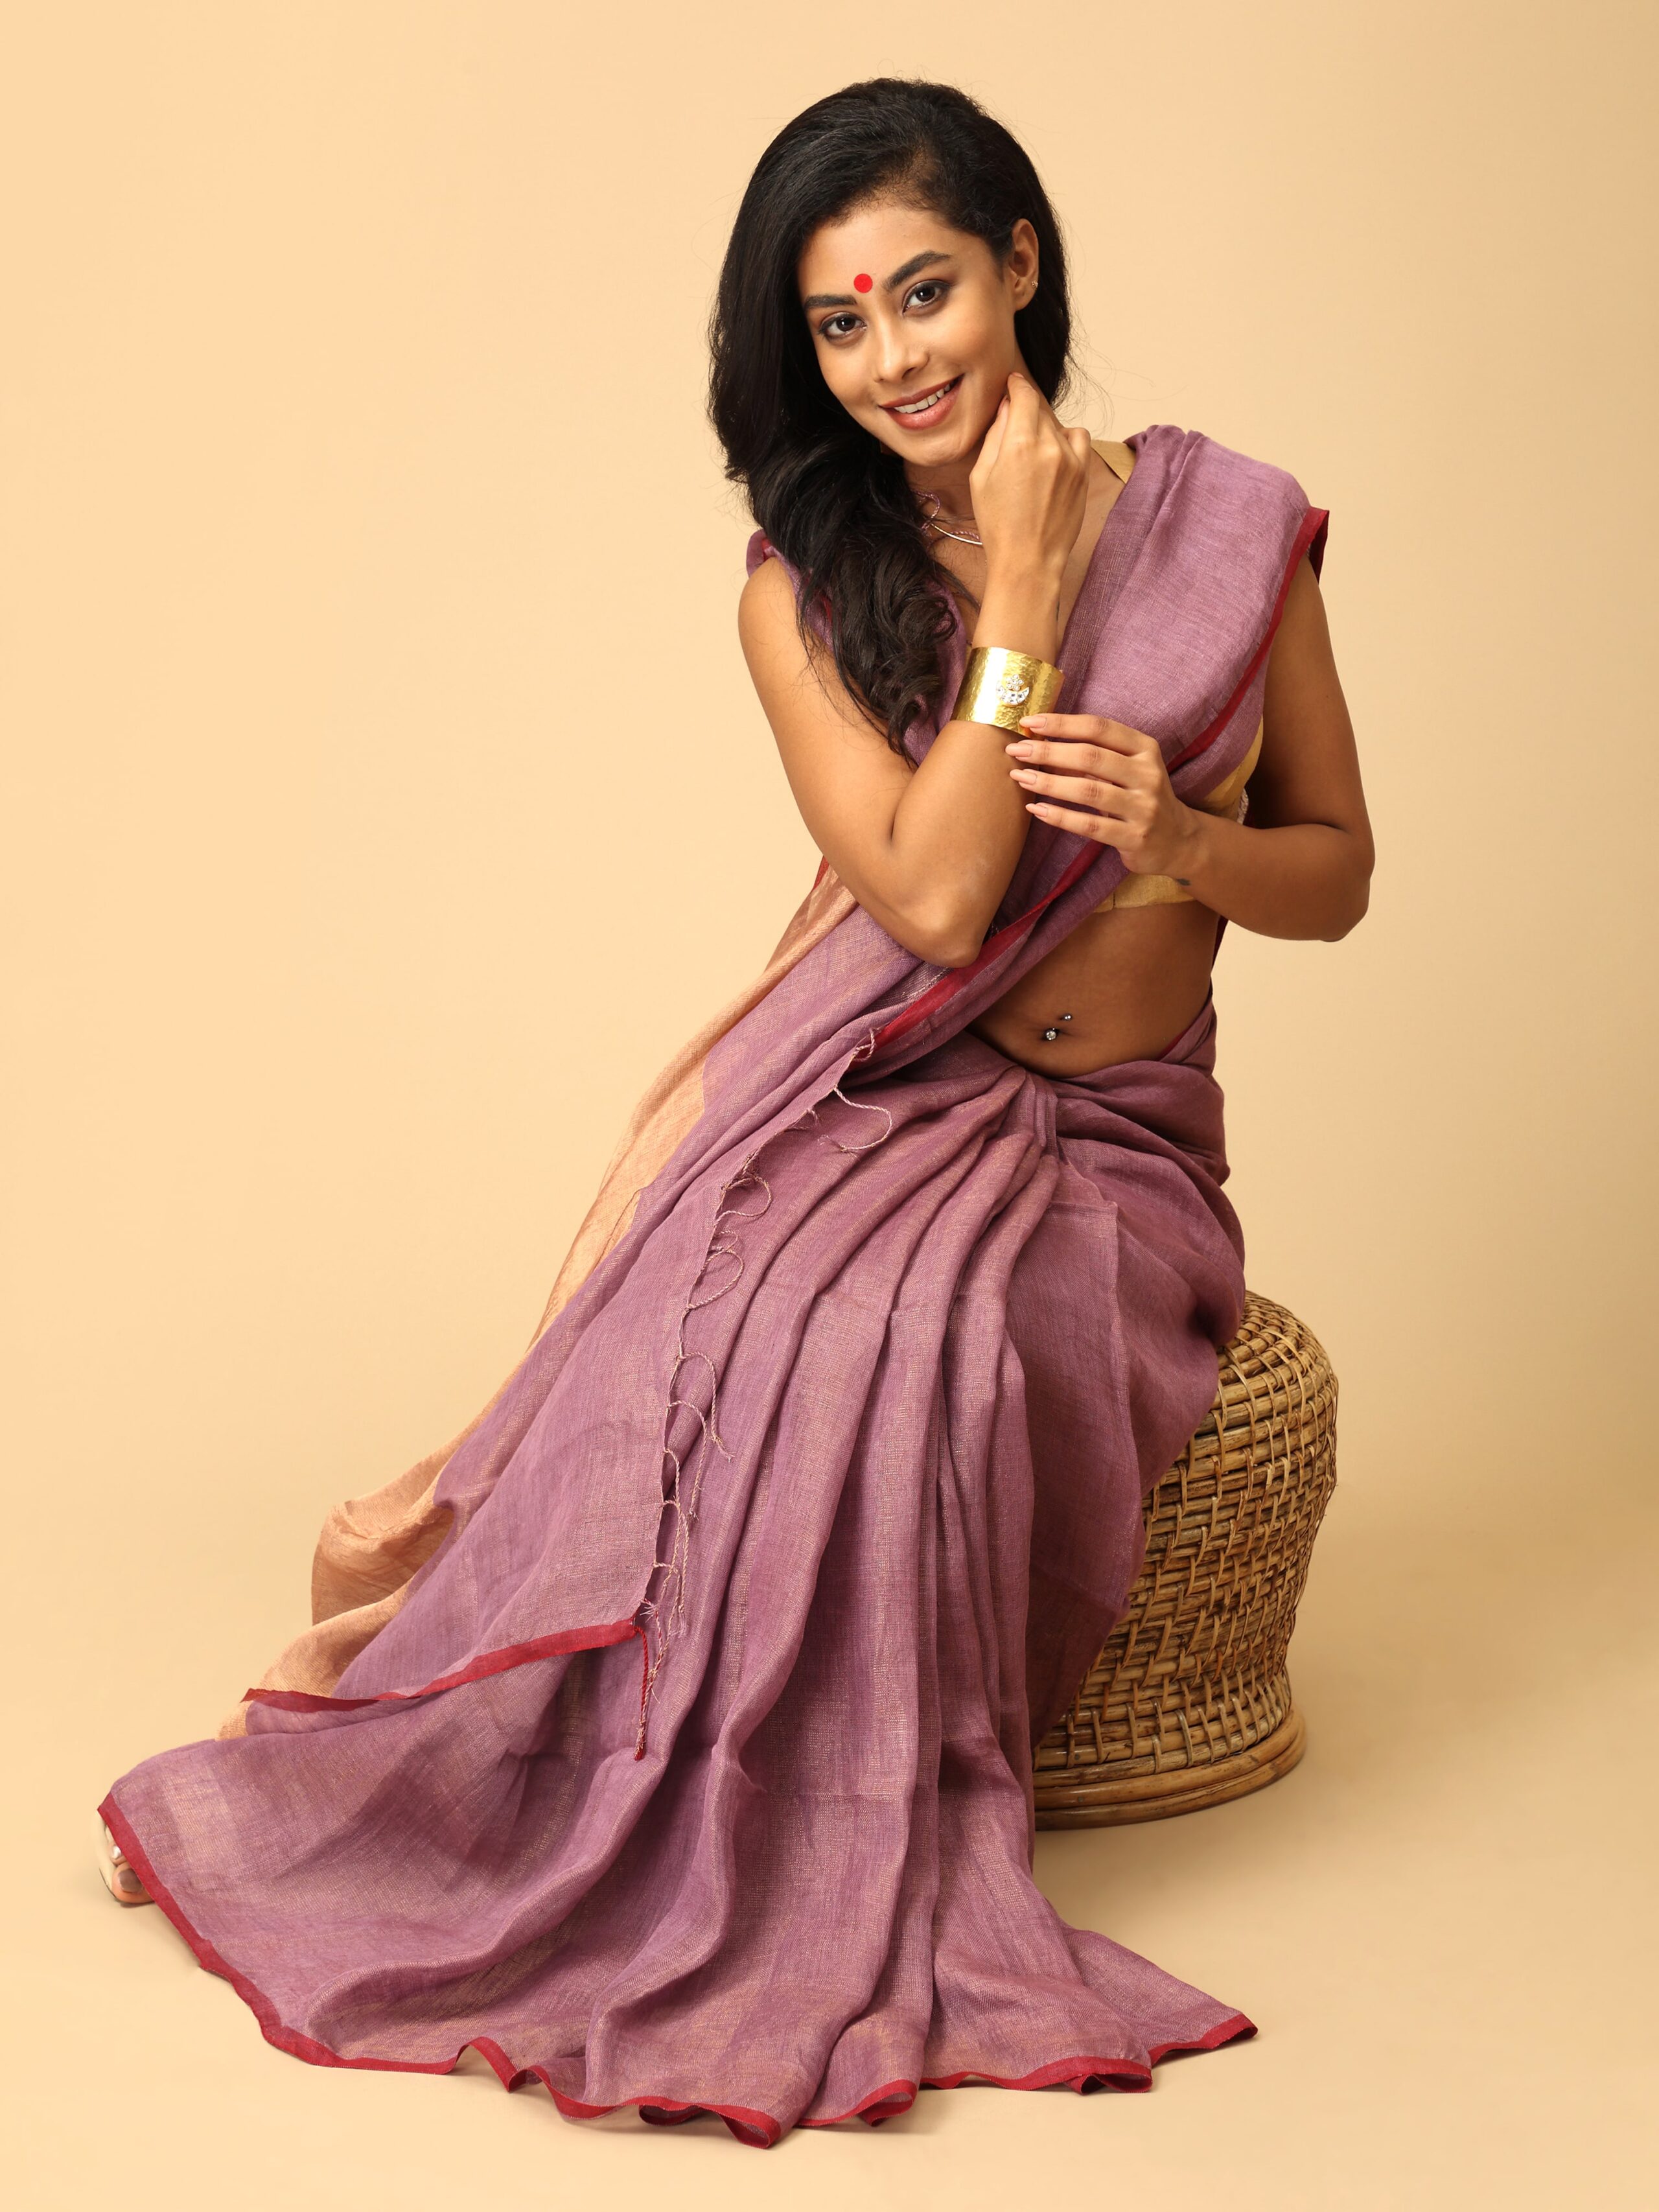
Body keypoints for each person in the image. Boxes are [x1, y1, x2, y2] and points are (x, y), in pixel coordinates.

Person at [96, 78, 1372, 2147]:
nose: (892, 360)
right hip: (884, 1082)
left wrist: (1188, 844)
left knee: (912, 1342)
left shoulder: (1234, 530)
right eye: (838, 326)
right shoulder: (805, 592)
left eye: (925, 293)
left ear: (1020, 266)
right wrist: (1024, 605)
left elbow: (1339, 870)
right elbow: (936, 905)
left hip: (1117, 1146)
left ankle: (841, 1816)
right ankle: (589, 1822)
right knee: (740, 1327)